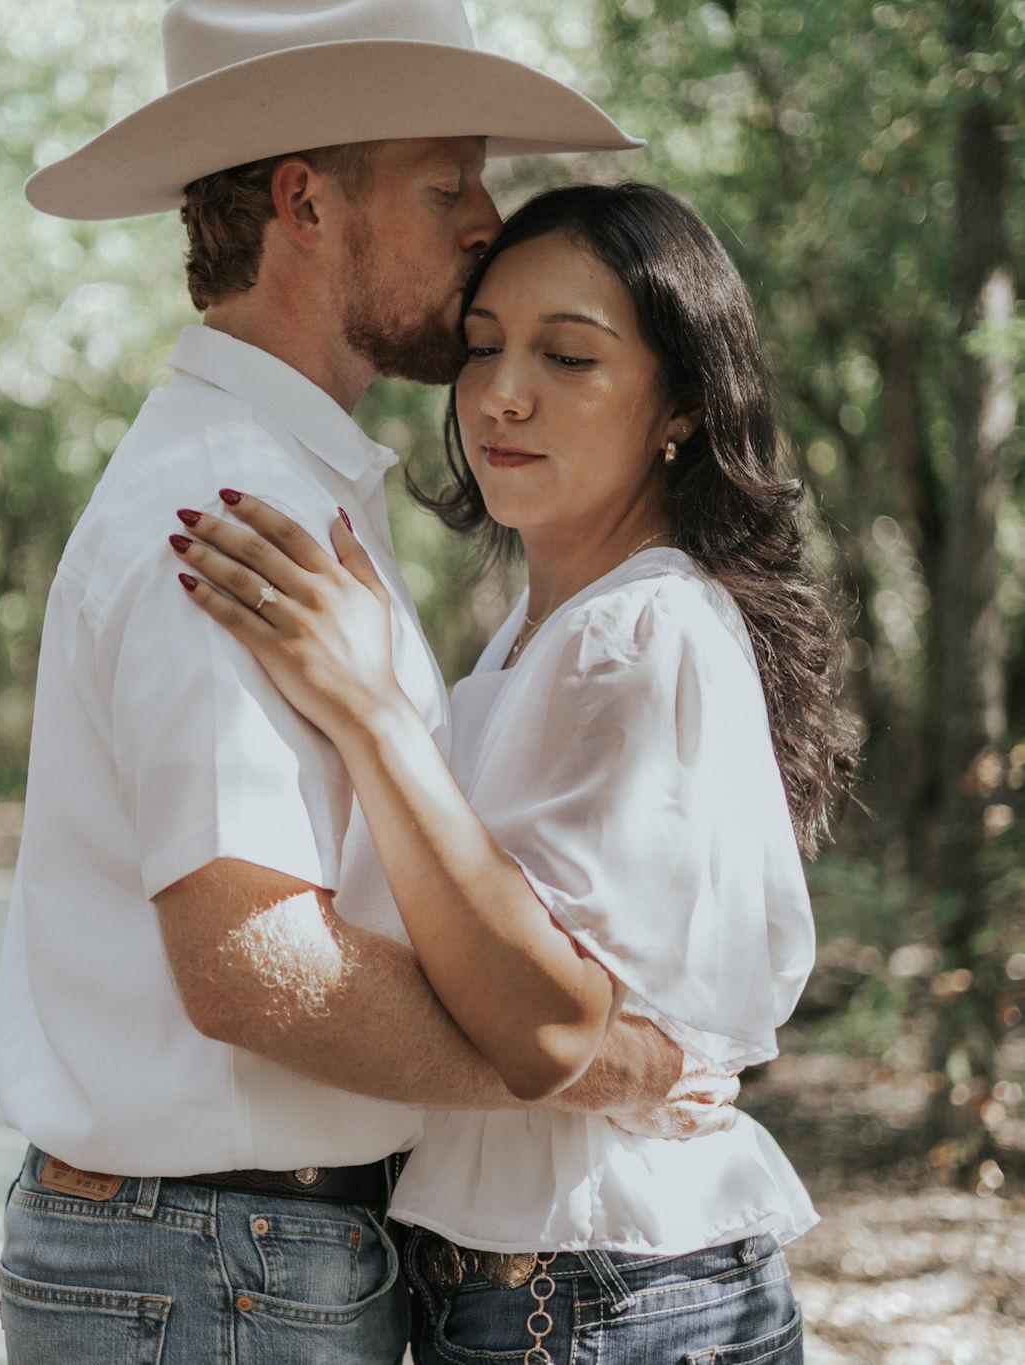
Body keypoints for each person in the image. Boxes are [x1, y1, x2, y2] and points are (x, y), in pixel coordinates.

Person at [0, 5, 738, 1363]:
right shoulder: (231, 506)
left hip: (229, 1253)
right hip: (213, 1261)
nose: (485, 222)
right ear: (304, 203)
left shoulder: (282, 477)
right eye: (447, 186)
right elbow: (255, 965)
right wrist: (586, 1063)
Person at [170, 182, 861, 1363]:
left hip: (602, 1293)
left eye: (569, 357)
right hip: (556, 1285)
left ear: (683, 405)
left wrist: (373, 717)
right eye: (483, 347)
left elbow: (541, 1029)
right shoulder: (539, 640)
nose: (502, 394)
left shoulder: (637, 631)